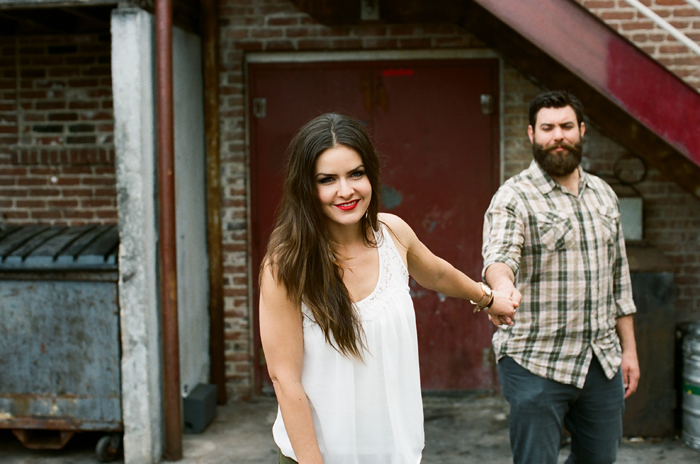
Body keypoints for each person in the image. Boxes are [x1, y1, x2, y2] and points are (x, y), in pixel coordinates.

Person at [259, 113, 517, 464]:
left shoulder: (393, 233)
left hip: (393, 452)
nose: (345, 190)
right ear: (306, 187)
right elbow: (284, 379)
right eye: (327, 179)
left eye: (356, 174)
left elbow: (437, 274)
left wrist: (487, 298)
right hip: (317, 456)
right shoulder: (286, 266)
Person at [482, 90, 640, 464]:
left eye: (566, 126)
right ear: (531, 134)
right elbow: (500, 256)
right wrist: (501, 287)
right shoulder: (513, 197)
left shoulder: (603, 194)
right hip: (536, 360)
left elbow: (619, 279)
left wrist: (628, 352)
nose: (558, 136)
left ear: (581, 130)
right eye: (548, 128)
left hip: (600, 360)